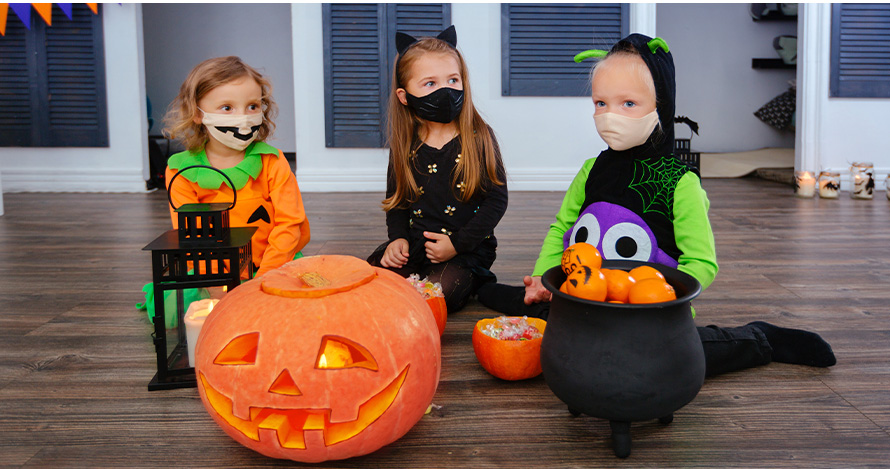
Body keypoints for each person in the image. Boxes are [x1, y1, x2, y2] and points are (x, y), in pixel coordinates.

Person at [477, 34, 835, 376]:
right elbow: (562, 229)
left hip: (650, 314)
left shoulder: (681, 182)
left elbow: (702, 262)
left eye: (628, 104)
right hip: (586, 300)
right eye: (601, 103)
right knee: (552, 332)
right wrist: (542, 274)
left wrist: (657, 297)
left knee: (667, 360)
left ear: (661, 104)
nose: (609, 115)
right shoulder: (591, 170)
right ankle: (499, 290)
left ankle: (759, 339)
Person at [138, 56, 310, 325]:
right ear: (197, 113)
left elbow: (290, 224)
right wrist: (218, 284)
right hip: (211, 268)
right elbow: (193, 237)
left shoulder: (272, 162)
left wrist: (264, 277)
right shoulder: (181, 171)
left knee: (295, 312)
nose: (243, 116)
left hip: (271, 262)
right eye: (227, 107)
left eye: (252, 106)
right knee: (176, 315)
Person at [367, 26, 508, 314]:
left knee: (437, 296)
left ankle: (469, 282)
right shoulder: (406, 145)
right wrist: (399, 239)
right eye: (430, 83)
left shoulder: (478, 136)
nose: (445, 90)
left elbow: (496, 201)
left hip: (464, 251)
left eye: (453, 80)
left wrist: (456, 244)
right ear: (405, 96)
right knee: (372, 277)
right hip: (418, 245)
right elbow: (397, 202)